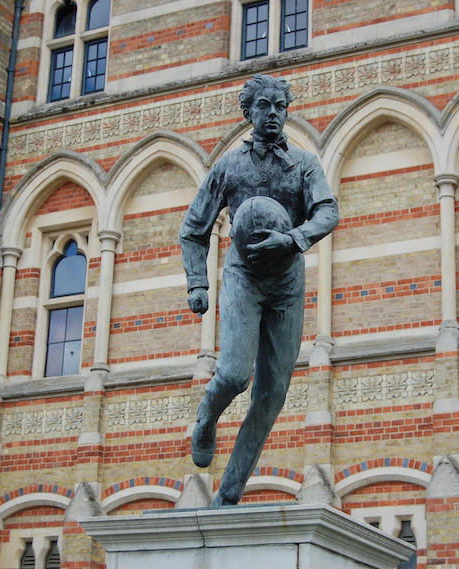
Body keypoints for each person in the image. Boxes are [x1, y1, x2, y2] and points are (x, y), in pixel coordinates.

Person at [179, 74, 339, 506]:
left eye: (280, 107)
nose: (273, 114)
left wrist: (293, 238)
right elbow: (193, 231)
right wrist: (197, 282)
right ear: (248, 113)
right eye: (264, 106)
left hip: (287, 282)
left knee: (272, 395)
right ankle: (207, 419)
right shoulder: (230, 166)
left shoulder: (304, 164)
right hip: (243, 276)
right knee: (233, 374)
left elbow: (328, 212)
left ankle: (228, 495)